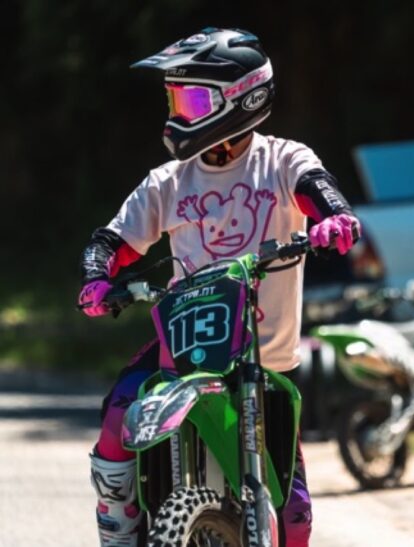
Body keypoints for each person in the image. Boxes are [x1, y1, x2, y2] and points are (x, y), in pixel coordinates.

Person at [77, 28, 359, 547]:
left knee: (294, 515)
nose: (178, 114)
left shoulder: (282, 160)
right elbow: (112, 240)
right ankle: (118, 526)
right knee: (120, 409)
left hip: (264, 358)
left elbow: (317, 189)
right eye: (175, 101)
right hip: (184, 348)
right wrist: (97, 276)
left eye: (192, 101)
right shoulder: (168, 180)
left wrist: (334, 219)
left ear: (242, 99)